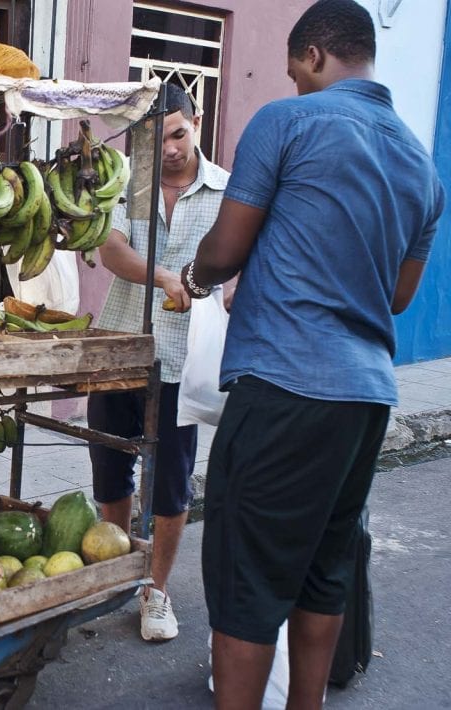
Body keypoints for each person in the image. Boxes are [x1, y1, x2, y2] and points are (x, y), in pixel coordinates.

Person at [179, 1, 445, 707]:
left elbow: (227, 248)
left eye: (297, 71)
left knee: (248, 578)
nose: (293, 83)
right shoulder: (421, 166)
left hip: (287, 388)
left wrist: (199, 277)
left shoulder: (286, 122)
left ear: (318, 55)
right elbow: (395, 297)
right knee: (325, 568)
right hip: (365, 397)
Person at [89, 82, 231, 642]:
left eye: (177, 133)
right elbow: (111, 249)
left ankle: (157, 591)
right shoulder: (129, 182)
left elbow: (238, 262)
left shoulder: (226, 192)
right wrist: (168, 277)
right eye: (156, 138)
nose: (168, 148)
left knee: (170, 483)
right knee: (109, 467)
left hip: (183, 356)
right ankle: (117, 571)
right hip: (121, 346)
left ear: (195, 124)